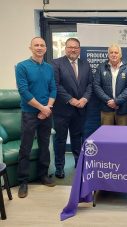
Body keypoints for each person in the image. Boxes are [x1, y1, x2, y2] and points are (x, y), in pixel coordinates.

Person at [15, 37, 57, 198]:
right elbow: (24, 92)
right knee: (25, 147)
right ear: (30, 48)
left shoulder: (48, 68)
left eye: (42, 45)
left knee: (44, 145)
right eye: (36, 45)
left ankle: (43, 175)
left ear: (46, 48)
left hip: (46, 112)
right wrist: (42, 108)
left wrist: (48, 108)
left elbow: (53, 89)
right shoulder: (22, 67)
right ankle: (23, 182)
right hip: (29, 113)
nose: (39, 48)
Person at [51, 38, 93, 179]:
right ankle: (59, 168)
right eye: (70, 47)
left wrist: (84, 99)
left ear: (79, 49)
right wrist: (71, 100)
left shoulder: (85, 64)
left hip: (80, 109)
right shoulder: (56, 63)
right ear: (65, 48)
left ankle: (78, 163)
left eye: (75, 47)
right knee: (60, 140)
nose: (73, 50)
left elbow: (90, 85)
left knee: (77, 138)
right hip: (62, 110)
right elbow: (56, 86)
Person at [94, 44, 127, 125]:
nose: (113, 54)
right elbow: (96, 86)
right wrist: (109, 101)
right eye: (111, 52)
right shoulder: (101, 67)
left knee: (122, 135)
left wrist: (116, 101)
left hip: (123, 108)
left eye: (116, 52)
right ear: (108, 55)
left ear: (120, 54)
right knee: (106, 135)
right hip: (106, 107)